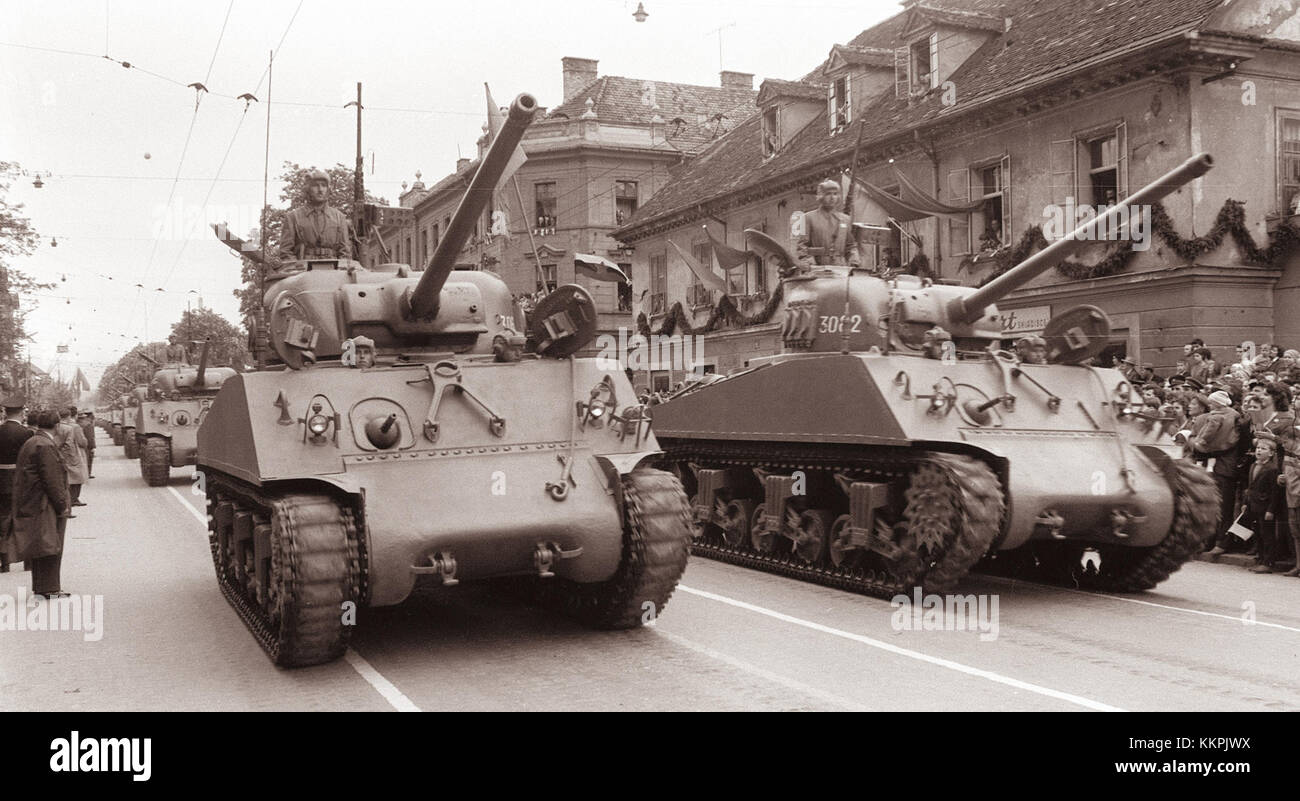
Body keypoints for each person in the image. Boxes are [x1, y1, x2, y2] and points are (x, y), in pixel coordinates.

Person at [13, 409, 71, 597]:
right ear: (57, 425)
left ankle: (41, 586)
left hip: (33, 501)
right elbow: (52, 480)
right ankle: (50, 587)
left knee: (41, 545)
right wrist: (62, 505)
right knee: (51, 544)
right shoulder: (45, 445)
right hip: (45, 504)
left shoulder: (33, 441)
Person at [1191, 390, 1241, 542]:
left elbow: (1198, 440)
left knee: (1210, 506)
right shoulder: (1236, 416)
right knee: (1224, 508)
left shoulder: (1207, 418)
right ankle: (1220, 541)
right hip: (1224, 467)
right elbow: (1233, 440)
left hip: (1212, 466)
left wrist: (1199, 445)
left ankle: (1209, 540)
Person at [279, 169, 354, 261]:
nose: (320, 190)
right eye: (315, 185)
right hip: (303, 270)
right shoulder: (293, 217)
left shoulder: (339, 217)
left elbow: (345, 253)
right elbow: (285, 252)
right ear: (307, 189)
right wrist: (298, 267)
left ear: (328, 189)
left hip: (333, 270)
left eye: (324, 186)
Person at [0, 394, 34, 573]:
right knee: (23, 519)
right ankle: (27, 560)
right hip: (20, 480)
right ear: (21, 412)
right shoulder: (26, 433)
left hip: (1, 481)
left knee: (3, 520)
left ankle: (4, 562)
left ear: (5, 412)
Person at [795, 179, 860, 269]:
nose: (832, 197)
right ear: (821, 196)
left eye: (835, 194)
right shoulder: (808, 218)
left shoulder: (845, 220)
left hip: (841, 269)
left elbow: (851, 245)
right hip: (818, 268)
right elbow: (802, 247)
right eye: (828, 194)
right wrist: (811, 265)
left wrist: (854, 261)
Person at [54, 406, 88, 507]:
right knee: (78, 475)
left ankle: (70, 499)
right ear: (68, 416)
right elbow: (81, 442)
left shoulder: (56, 426)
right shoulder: (75, 427)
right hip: (74, 453)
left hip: (60, 453)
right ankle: (74, 498)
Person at [78, 411, 95, 479]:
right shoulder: (88, 425)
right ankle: (87, 474)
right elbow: (90, 437)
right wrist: (92, 447)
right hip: (87, 446)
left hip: (81, 445)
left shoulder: (78, 424)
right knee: (88, 460)